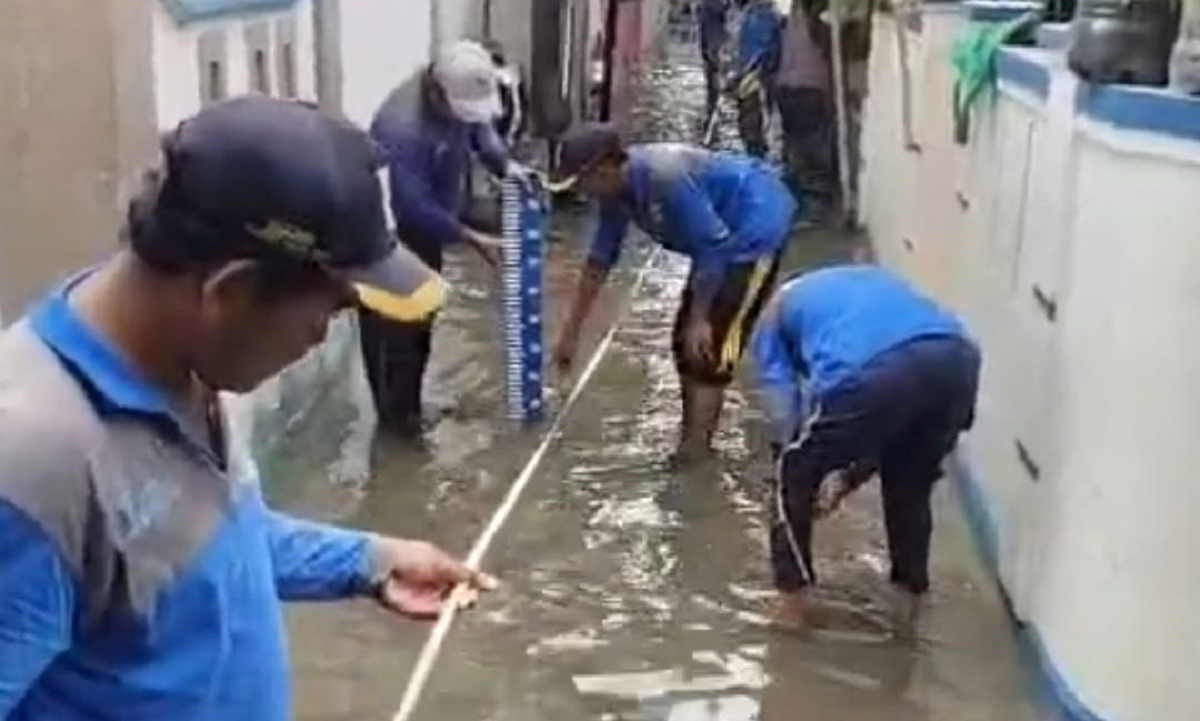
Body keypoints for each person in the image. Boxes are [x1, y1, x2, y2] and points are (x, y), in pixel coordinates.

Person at [0, 95, 496, 719]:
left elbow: (201, 535)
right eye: (331, 311)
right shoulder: (31, 469)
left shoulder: (185, 363)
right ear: (228, 291)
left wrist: (367, 562)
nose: (323, 337)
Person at [750, 264, 980, 633]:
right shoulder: (863, 282)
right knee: (910, 486)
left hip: (875, 369)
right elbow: (889, 427)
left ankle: (790, 605)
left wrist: (801, 477)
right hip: (957, 360)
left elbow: (784, 414)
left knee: (790, 470)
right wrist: (844, 480)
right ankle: (908, 607)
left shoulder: (772, 322)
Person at [550, 123, 796, 465]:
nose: (579, 190)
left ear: (604, 168)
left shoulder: (665, 179)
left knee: (712, 344)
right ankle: (691, 437)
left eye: (581, 180)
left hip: (754, 227)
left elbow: (714, 246)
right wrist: (570, 332)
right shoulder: (615, 194)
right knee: (683, 343)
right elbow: (600, 259)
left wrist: (700, 319)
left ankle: (696, 453)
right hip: (715, 240)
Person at [366, 39, 534, 437]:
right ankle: (395, 436)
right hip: (388, 244)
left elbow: (481, 132)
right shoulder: (402, 128)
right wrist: (474, 239)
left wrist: (507, 166)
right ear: (438, 94)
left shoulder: (458, 100)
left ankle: (412, 413)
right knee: (396, 340)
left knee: (423, 327)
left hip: (429, 236)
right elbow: (413, 206)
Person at [775, 0, 834, 221]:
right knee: (814, 149)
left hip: (787, 83)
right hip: (810, 85)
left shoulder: (792, 13)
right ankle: (813, 210)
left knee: (795, 148)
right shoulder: (816, 14)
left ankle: (793, 206)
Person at [731, 0, 785, 157]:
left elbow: (759, 54)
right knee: (755, 128)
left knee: (753, 128)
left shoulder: (760, 14)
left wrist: (739, 75)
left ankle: (757, 161)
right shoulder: (760, 12)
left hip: (756, 79)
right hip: (757, 78)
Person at [698, 0, 731, 118]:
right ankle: (714, 103)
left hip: (709, 44)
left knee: (712, 76)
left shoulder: (706, 6)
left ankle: (712, 104)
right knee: (715, 73)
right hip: (714, 45)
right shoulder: (715, 6)